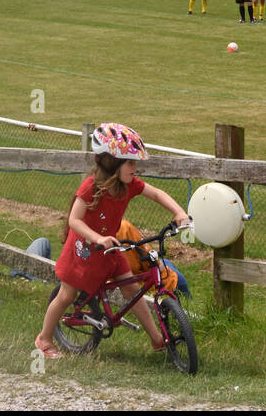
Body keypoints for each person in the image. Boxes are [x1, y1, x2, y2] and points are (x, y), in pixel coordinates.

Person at [35, 123, 188, 359]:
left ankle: (157, 340)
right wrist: (97, 238)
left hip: (110, 249)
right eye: (130, 162)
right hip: (84, 251)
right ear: (111, 162)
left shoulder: (130, 185)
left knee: (132, 289)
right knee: (66, 296)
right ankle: (44, 339)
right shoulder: (91, 187)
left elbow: (157, 193)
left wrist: (179, 213)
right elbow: (75, 220)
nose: (136, 168)